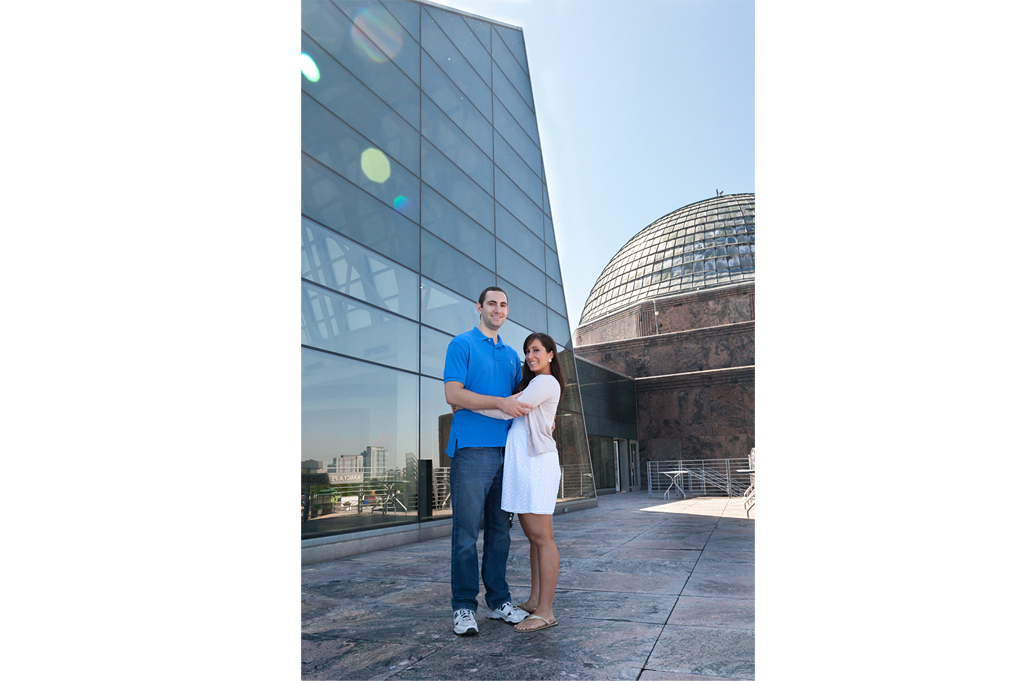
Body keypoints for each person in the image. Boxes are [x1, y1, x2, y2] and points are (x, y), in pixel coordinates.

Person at [443, 286, 532, 636]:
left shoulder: (512, 355)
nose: (498, 309)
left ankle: (498, 602)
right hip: (472, 450)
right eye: (492, 303)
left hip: (506, 451)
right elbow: (453, 393)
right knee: (465, 534)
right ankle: (464, 607)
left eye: (504, 305)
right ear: (478, 307)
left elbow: (519, 400)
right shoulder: (461, 344)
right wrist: (496, 402)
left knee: (500, 532)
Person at [465, 332, 565, 632]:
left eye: (536, 350)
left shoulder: (545, 382)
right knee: (534, 539)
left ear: (550, 354)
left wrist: (467, 404)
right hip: (525, 465)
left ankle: (546, 611)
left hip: (537, 465)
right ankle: (535, 601)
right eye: (527, 351)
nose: (530, 355)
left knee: (542, 538)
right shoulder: (534, 383)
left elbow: (509, 408)